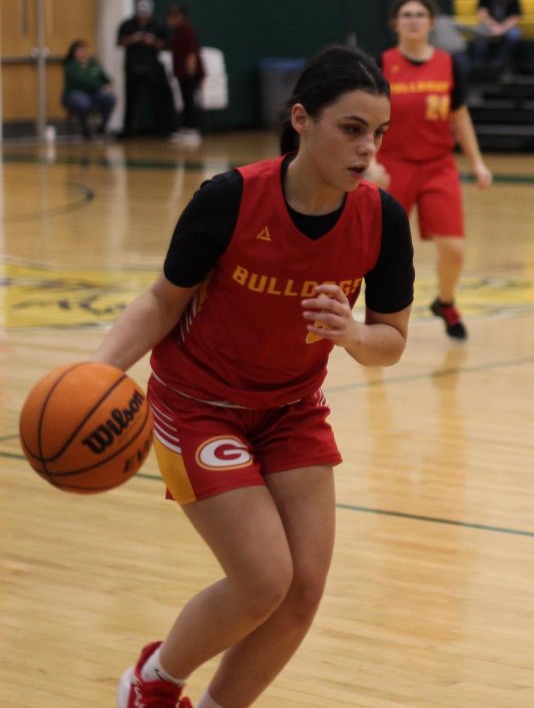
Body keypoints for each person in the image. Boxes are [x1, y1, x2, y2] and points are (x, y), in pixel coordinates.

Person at [99, 44, 415, 708]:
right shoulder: (230, 199)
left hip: (292, 408)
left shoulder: (382, 218)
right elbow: (161, 301)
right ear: (302, 119)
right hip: (198, 404)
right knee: (263, 579)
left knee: (303, 589)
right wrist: (97, 376)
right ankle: (152, 684)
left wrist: (355, 334)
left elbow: (391, 340)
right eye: (352, 129)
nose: (367, 149)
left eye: (378, 134)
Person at [376, 0, 492, 340]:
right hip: (393, 165)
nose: (413, 20)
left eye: (420, 15)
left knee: (454, 248)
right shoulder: (382, 64)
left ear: (430, 22)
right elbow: (367, 117)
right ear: (395, 23)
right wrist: (369, 162)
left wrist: (477, 162)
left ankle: (445, 301)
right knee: (384, 250)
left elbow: (459, 115)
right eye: (406, 14)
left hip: (438, 164)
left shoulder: (447, 62)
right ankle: (379, 316)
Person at [116, 0, 174, 137]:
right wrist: (132, 39)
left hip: (152, 68)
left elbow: (166, 45)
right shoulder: (127, 24)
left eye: (145, 13)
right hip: (132, 67)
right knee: (131, 101)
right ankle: (128, 130)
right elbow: (119, 42)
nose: (143, 16)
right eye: (140, 13)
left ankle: (161, 130)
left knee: (157, 100)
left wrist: (153, 42)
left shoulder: (158, 25)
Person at [165, 4, 206, 148]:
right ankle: (186, 128)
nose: (169, 20)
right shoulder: (177, 32)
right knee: (185, 100)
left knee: (190, 101)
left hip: (190, 73)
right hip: (181, 73)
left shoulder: (187, 31)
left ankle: (193, 130)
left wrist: (190, 69)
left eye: (172, 17)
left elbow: (192, 52)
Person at [62, 39, 117, 140]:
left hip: (94, 93)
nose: (83, 53)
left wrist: (108, 85)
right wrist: (100, 86)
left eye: (84, 50)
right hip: (76, 94)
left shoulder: (93, 64)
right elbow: (83, 81)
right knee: (83, 102)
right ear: (74, 52)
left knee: (110, 97)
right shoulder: (71, 66)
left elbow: (106, 79)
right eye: (79, 51)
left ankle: (103, 125)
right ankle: (85, 128)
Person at [470, 0, 523, 71]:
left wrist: (502, 28)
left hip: (506, 26)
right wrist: (493, 26)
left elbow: (514, 16)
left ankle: (499, 63)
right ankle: (477, 66)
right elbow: (482, 13)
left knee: (513, 35)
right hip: (489, 25)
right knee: (479, 35)